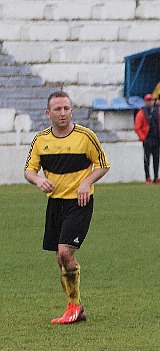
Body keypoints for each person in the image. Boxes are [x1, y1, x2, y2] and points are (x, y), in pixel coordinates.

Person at [23, 91, 110, 324]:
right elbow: (29, 170)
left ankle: (74, 307)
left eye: (66, 108)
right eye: (58, 109)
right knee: (60, 258)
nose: (63, 113)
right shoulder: (41, 140)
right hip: (55, 203)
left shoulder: (85, 136)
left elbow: (103, 165)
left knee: (65, 252)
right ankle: (76, 307)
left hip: (79, 202)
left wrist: (86, 182)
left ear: (71, 111)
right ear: (48, 113)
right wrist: (38, 180)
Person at [134, 94, 160, 184]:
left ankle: (156, 177)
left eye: (151, 100)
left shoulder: (157, 112)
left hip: (156, 138)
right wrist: (143, 138)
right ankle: (148, 178)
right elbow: (137, 127)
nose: (149, 102)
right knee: (147, 160)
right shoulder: (142, 113)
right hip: (147, 139)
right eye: (148, 101)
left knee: (156, 159)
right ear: (145, 102)